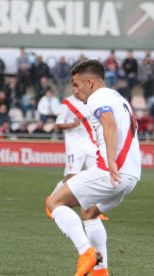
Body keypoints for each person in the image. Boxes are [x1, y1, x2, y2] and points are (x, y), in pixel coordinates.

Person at [46, 60, 141, 276]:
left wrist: (111, 161)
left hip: (110, 171)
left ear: (90, 82)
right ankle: (101, 271)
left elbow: (109, 124)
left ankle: (86, 252)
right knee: (89, 212)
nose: (75, 91)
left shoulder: (98, 98)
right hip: (131, 176)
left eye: (76, 85)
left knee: (54, 202)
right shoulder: (117, 97)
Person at [45, 94, 108, 221]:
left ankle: (92, 209)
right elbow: (58, 125)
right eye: (74, 85)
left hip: (91, 144)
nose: (76, 88)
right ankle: (51, 202)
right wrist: (73, 124)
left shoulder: (91, 101)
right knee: (71, 178)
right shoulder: (67, 103)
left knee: (97, 176)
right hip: (74, 145)